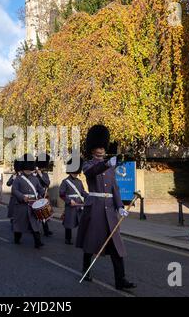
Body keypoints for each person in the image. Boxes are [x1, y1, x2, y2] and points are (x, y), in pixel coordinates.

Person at [76, 124, 136, 290]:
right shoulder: (88, 164)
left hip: (109, 210)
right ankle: (85, 268)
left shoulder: (111, 167)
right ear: (92, 148)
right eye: (98, 147)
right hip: (94, 207)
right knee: (91, 241)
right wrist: (107, 164)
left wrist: (119, 206)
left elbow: (114, 188)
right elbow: (91, 173)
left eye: (103, 147)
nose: (101, 150)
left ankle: (120, 280)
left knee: (116, 245)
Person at [11, 153, 45, 249]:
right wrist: (22, 197)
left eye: (29, 169)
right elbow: (14, 190)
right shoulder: (18, 179)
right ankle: (17, 238)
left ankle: (38, 242)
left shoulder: (35, 179)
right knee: (19, 225)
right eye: (26, 169)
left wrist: (43, 194)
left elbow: (40, 189)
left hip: (32, 205)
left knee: (35, 224)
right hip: (21, 205)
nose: (28, 171)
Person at [59, 157, 87, 245]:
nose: (76, 174)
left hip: (79, 205)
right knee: (69, 223)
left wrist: (90, 196)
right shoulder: (65, 181)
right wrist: (69, 201)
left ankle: (82, 239)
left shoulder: (79, 181)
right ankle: (68, 239)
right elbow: (62, 194)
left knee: (82, 223)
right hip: (70, 205)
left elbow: (82, 192)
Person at [35, 153, 53, 236]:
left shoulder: (44, 173)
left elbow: (47, 182)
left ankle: (46, 230)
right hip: (36, 195)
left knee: (44, 213)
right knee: (36, 214)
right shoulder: (34, 173)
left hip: (43, 195)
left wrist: (40, 174)